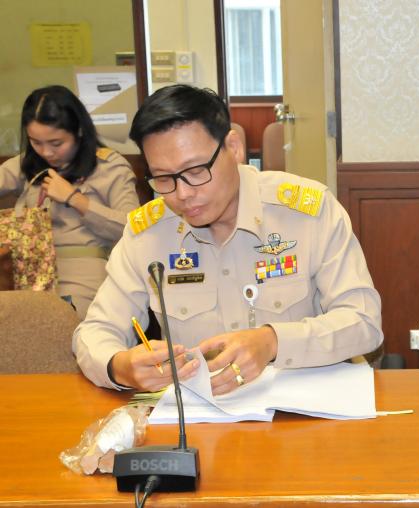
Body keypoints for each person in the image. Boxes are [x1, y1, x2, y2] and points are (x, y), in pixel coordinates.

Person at [73, 84, 383, 395]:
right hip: (201, 411)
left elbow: (363, 322)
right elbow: (96, 331)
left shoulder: (307, 213)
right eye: (164, 178)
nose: (183, 194)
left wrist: (272, 341)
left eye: (195, 171)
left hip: (303, 404)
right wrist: (119, 366)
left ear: (233, 148)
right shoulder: (148, 234)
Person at [0, 85, 140, 318]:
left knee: (62, 323)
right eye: (36, 142)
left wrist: (74, 199)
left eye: (56, 143)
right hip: (27, 272)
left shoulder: (109, 167)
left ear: (79, 131)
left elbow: (133, 228)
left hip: (85, 272)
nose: (46, 152)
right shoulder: (26, 165)